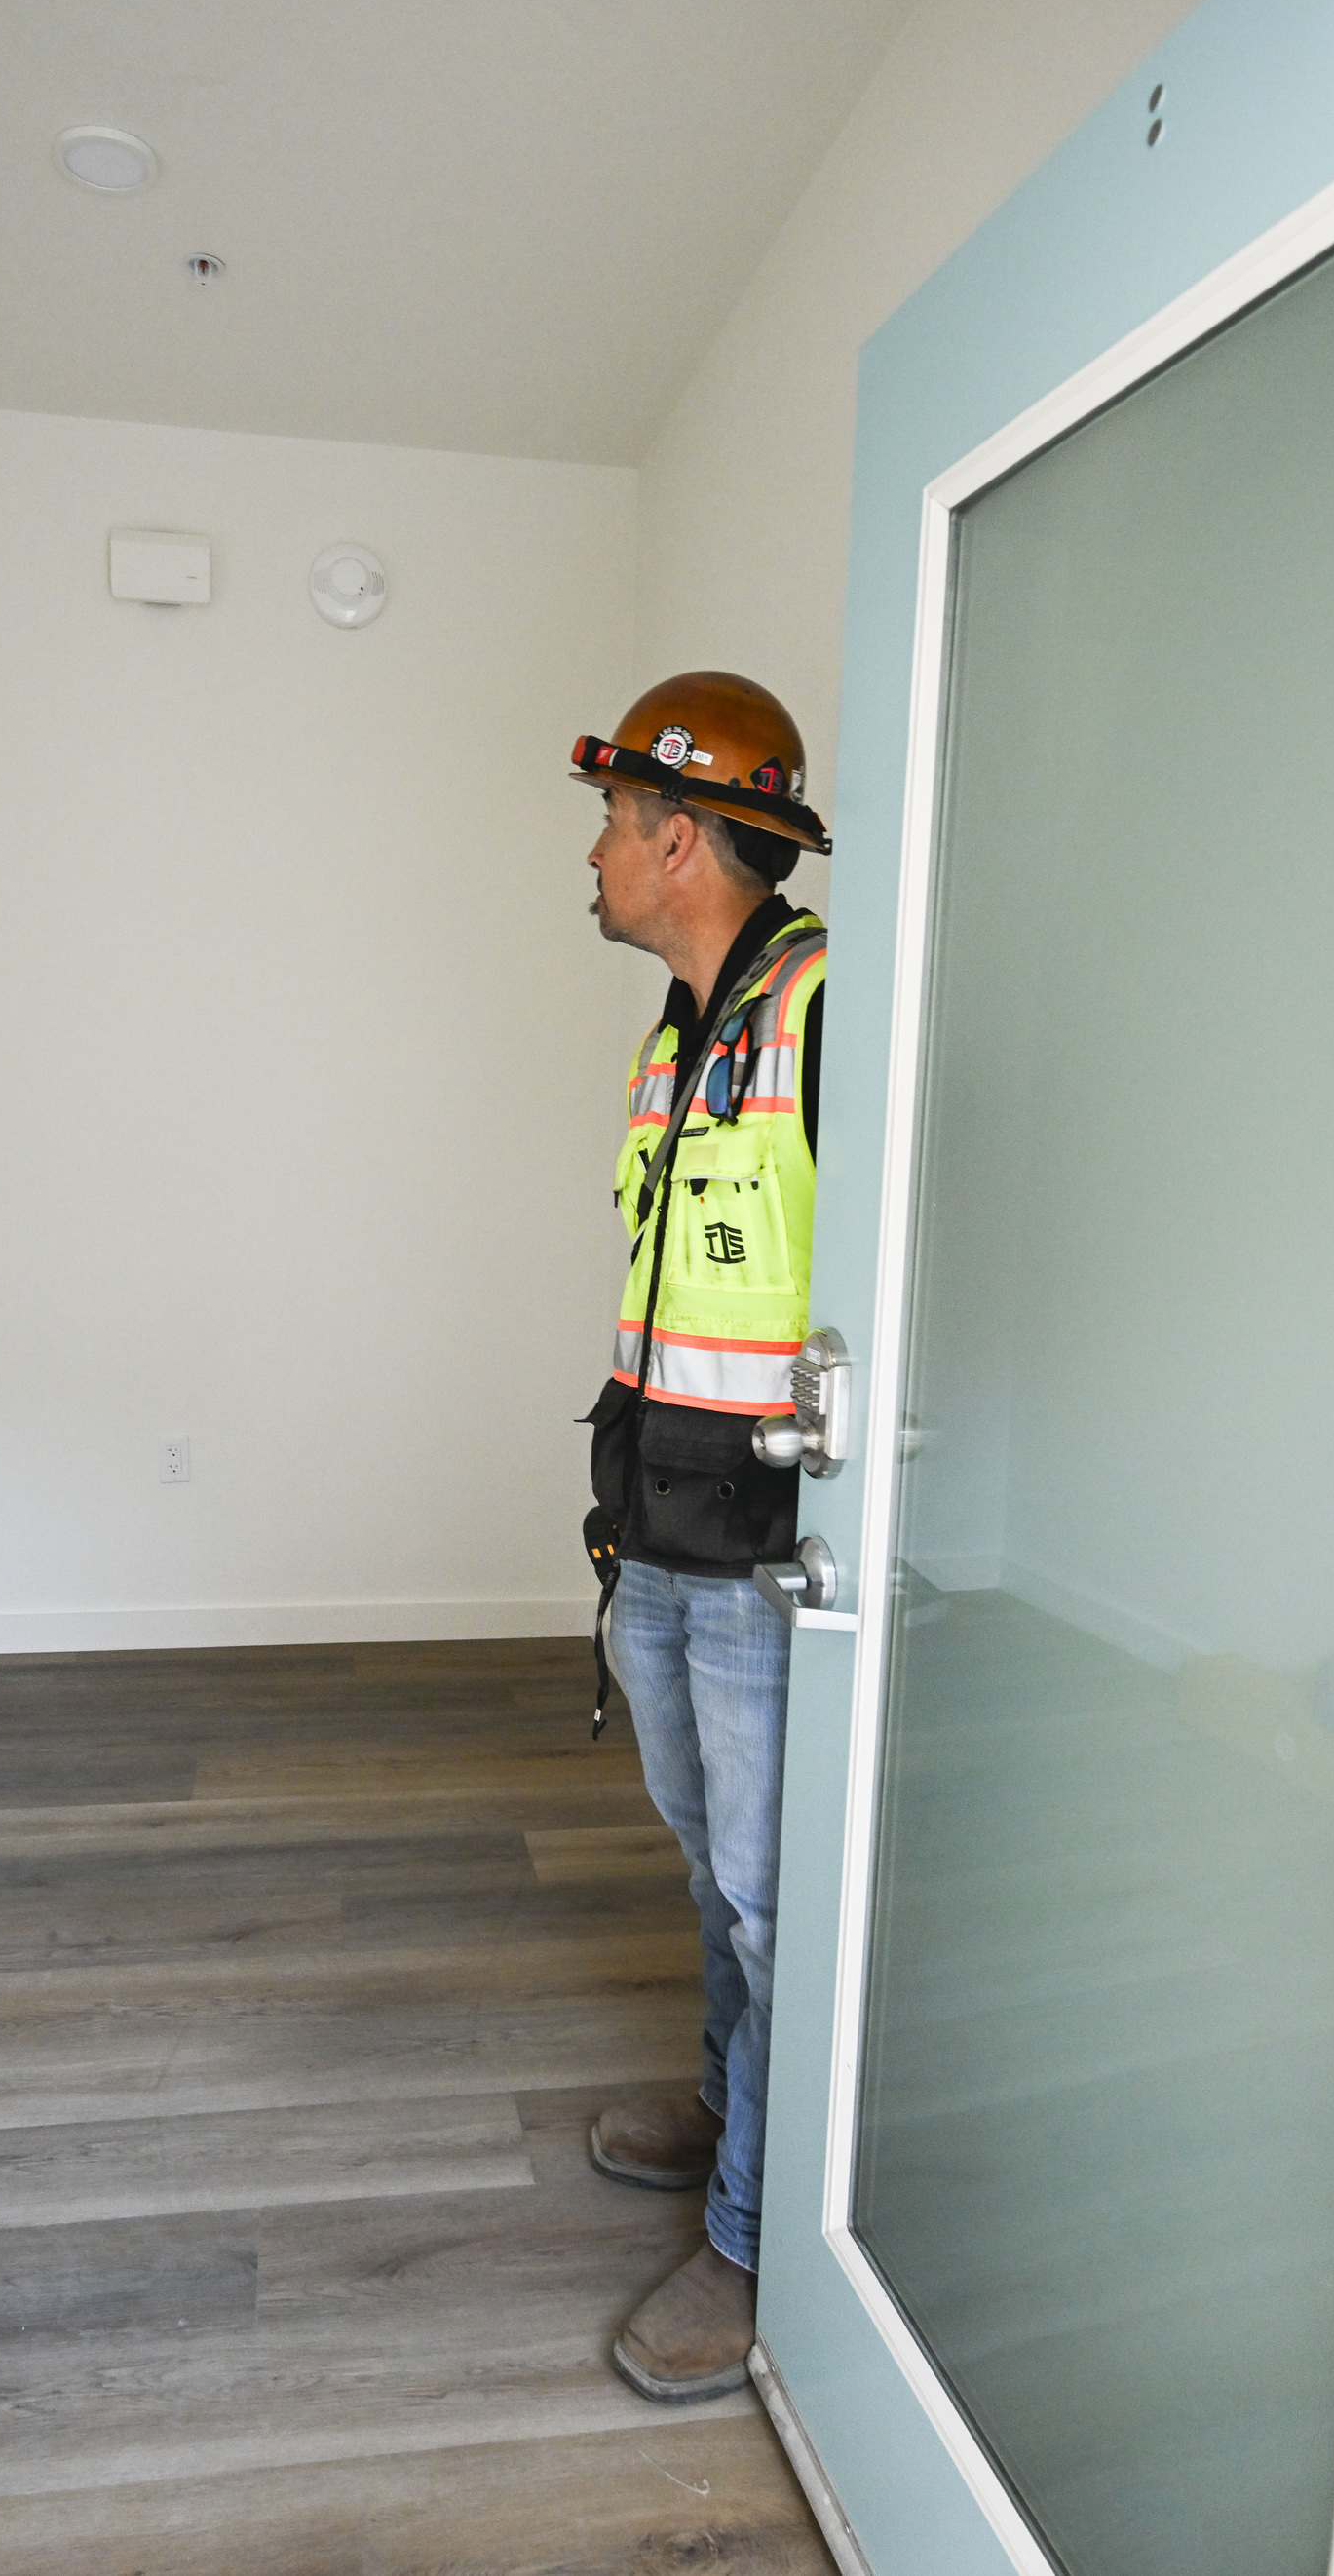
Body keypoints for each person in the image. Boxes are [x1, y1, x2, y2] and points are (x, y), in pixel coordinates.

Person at [568, 672, 830, 2403]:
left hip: (757, 1556)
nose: (590, 854)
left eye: (608, 821)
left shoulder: (827, 1013)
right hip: (654, 1528)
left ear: (678, 838)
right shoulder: (684, 1028)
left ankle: (757, 2245)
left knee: (770, 1904)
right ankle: (733, 2109)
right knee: (711, 1875)